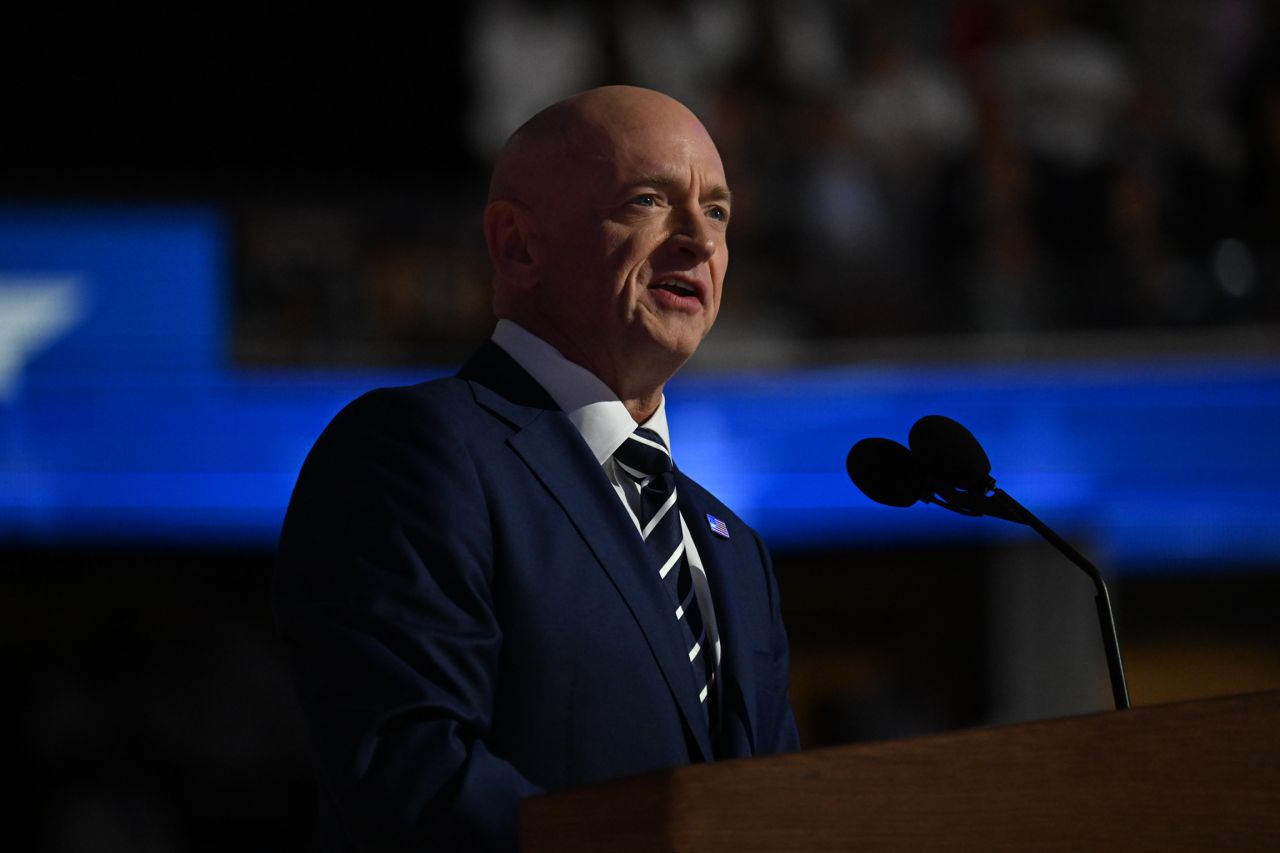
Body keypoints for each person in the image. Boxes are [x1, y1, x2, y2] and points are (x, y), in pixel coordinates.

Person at [273, 85, 800, 852]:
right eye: (649, 199)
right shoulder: (416, 452)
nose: (698, 239)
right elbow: (416, 777)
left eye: (716, 211)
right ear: (518, 244)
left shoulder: (733, 549)